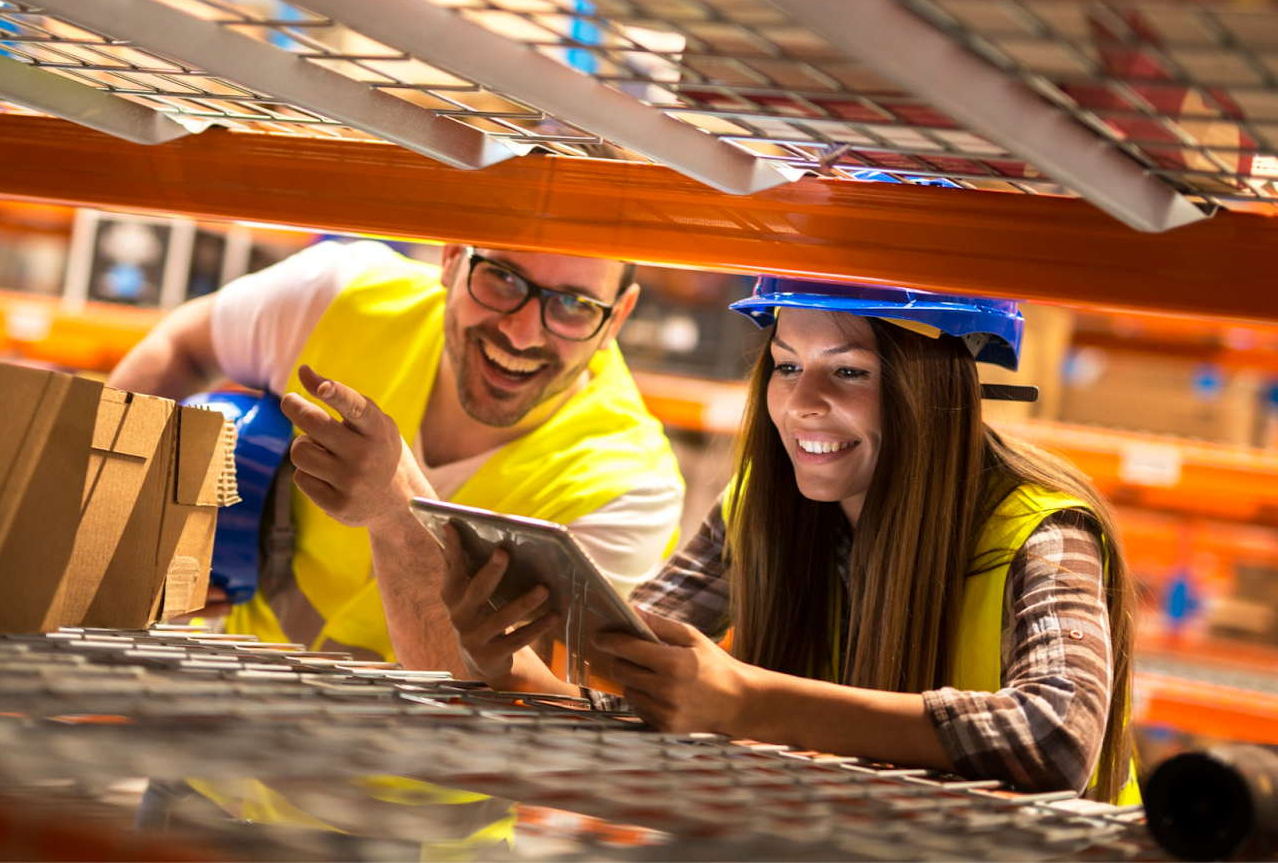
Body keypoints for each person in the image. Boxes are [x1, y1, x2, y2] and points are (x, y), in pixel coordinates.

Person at [438, 276, 1139, 803]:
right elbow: (644, 664)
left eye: (851, 371)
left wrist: (750, 704)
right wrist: (519, 663)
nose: (802, 402)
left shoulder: (1040, 532)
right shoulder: (759, 507)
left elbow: (1057, 735)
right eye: (786, 364)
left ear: (934, 387)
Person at [109, 239, 684, 671]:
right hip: (204, 766)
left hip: (404, 820)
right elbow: (178, 346)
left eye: (574, 305)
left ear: (620, 316)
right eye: (503, 279)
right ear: (454, 257)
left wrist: (396, 513)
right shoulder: (340, 295)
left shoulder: (629, 487)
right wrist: (121, 532)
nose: (525, 332)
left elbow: (516, 703)